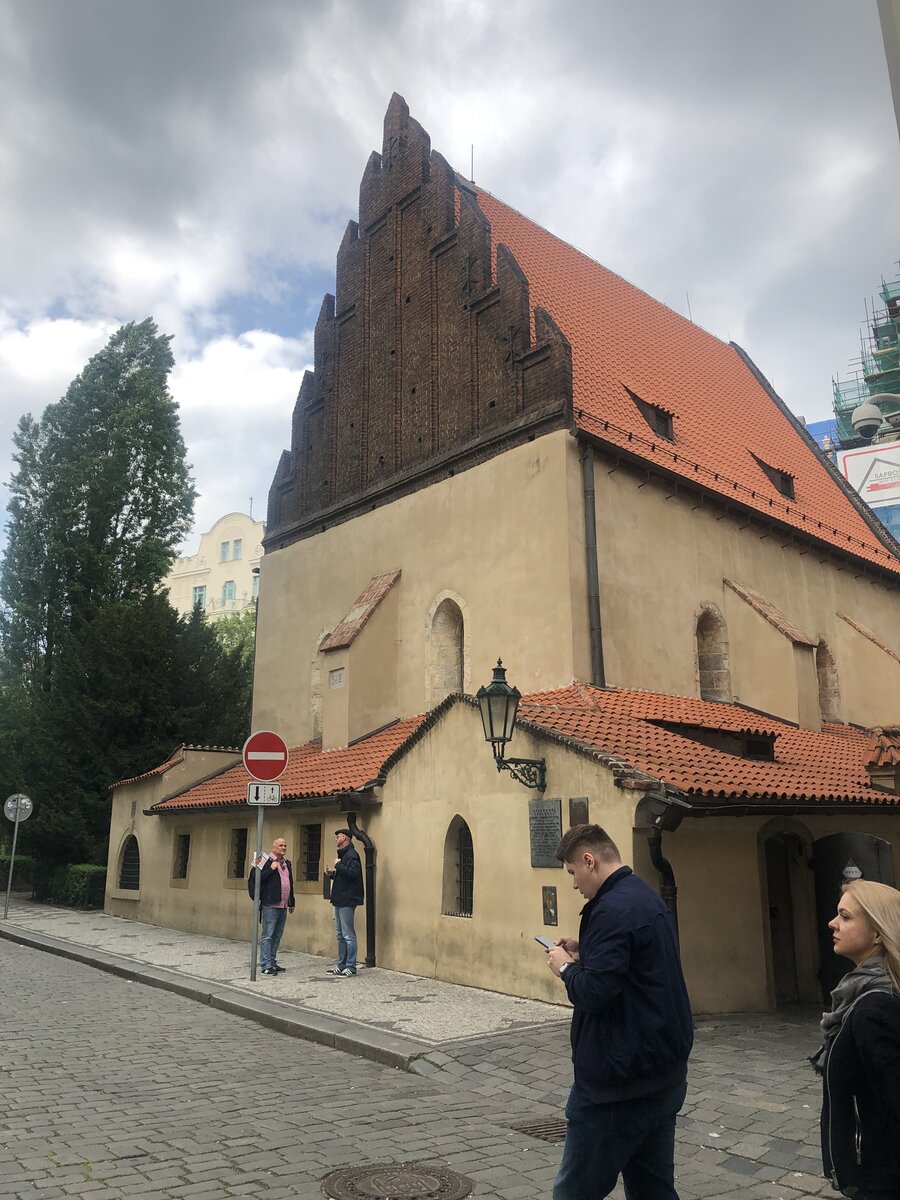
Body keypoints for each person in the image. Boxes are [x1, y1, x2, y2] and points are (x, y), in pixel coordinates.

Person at [545, 824, 693, 1200]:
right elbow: (636, 969)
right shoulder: (642, 895)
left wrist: (564, 966)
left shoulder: (611, 909)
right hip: (661, 1075)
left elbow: (595, 993)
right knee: (653, 1189)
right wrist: (587, 951)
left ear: (589, 860)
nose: (574, 884)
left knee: (574, 1192)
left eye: (573, 873)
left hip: (617, 1086)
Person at [813, 879, 900, 1200]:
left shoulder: (872, 1009)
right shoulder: (863, 993)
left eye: (845, 916)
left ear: (878, 932)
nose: (832, 923)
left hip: (883, 1178)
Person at [247, 836, 295, 976]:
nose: (283, 848)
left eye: (285, 845)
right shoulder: (263, 859)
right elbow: (254, 878)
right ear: (273, 847)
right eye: (280, 845)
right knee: (267, 935)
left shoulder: (287, 863)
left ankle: (273, 962)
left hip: (283, 905)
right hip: (270, 904)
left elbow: (289, 883)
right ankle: (266, 965)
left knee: (277, 935)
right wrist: (271, 869)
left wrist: (291, 901)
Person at [324, 828, 363, 977]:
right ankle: (341, 964)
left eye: (338, 836)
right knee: (340, 935)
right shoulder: (343, 855)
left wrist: (338, 865)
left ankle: (351, 966)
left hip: (347, 899)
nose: (336, 839)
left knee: (348, 935)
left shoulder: (352, 855)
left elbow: (354, 873)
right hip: (339, 899)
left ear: (345, 838)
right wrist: (333, 874)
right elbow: (345, 875)